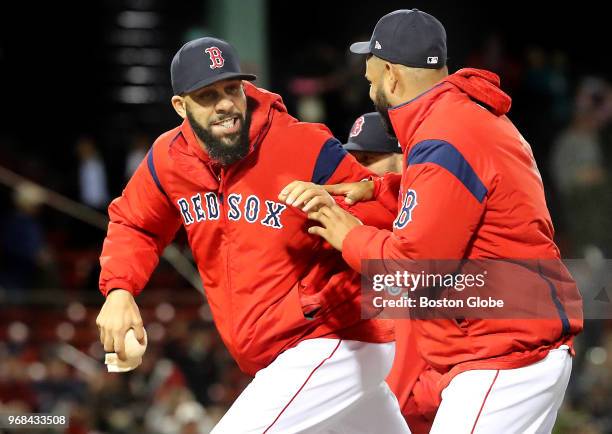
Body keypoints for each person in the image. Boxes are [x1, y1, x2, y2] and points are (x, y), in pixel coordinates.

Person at [280, 9, 583, 434]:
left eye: (370, 76)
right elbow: (463, 197)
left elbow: (417, 265)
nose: (367, 85)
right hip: (511, 342)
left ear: (391, 74)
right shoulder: (461, 119)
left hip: (503, 354)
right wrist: (384, 189)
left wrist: (351, 235)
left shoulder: (445, 135)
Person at [95, 37, 409, 433]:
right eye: (208, 96)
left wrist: (362, 196)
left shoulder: (302, 143)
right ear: (180, 106)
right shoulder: (168, 159)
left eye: (231, 89)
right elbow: (136, 223)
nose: (225, 103)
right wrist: (120, 290)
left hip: (333, 338)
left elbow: (392, 218)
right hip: (290, 355)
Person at [343, 112, 441, 433]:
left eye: (370, 159)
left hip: (432, 416)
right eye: (353, 159)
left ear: (404, 160)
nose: (359, 170)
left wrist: (425, 398)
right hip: (373, 417)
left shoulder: (434, 229)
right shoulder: (352, 230)